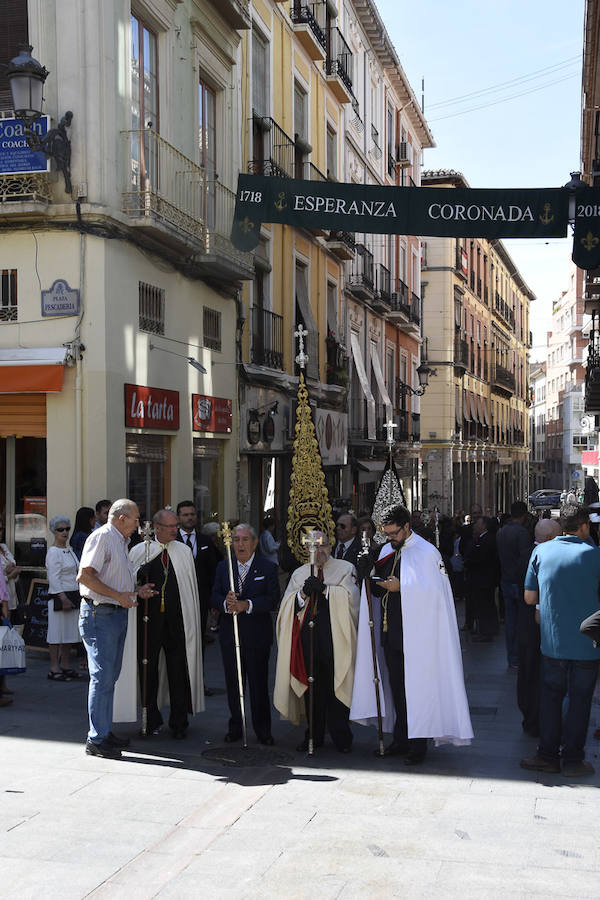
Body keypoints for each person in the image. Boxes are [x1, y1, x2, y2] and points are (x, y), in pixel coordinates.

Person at [351, 503, 473, 764]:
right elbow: (378, 586)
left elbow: (436, 594)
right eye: (387, 534)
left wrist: (401, 588)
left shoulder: (427, 552)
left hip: (419, 637)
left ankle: (418, 746)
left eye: (394, 533)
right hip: (391, 632)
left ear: (407, 527)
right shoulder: (385, 550)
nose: (390, 538)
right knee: (397, 689)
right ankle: (400, 739)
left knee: (416, 689)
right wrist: (368, 575)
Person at [520, 505, 600, 777]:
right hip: (588, 645)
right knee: (581, 701)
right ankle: (574, 759)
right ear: (584, 526)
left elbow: (530, 598)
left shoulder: (541, 551)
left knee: (551, 699)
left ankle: (548, 755)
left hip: (553, 642)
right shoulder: (595, 555)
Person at [77, 499, 156, 760]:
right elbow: (85, 576)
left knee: (109, 677)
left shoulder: (119, 540)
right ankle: (96, 739)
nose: (138, 525)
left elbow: (113, 581)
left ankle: (103, 730)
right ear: (121, 518)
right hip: (101, 614)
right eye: (136, 519)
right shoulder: (102, 537)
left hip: (113, 613)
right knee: (102, 677)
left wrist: (134, 593)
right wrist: (119, 596)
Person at [274, 531, 360, 753]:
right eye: (313, 546)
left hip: (334, 639)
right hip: (308, 639)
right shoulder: (299, 573)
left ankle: (342, 736)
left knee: (335, 685)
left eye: (322, 546)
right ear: (306, 549)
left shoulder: (344, 568)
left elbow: (352, 599)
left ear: (330, 546)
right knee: (312, 688)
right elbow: (286, 606)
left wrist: (326, 590)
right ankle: (313, 734)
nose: (318, 551)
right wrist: (302, 594)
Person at [130, 509, 203, 739]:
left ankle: (179, 721)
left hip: (176, 621)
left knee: (177, 670)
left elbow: (189, 586)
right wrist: (138, 575)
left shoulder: (183, 551)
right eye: (170, 526)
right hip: (148, 621)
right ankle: (150, 719)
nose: (175, 530)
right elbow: (128, 582)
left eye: (176, 526)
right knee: (147, 669)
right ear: (157, 527)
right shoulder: (140, 551)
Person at [211, 523, 279, 745]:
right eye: (236, 540)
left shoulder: (267, 567)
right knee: (234, 684)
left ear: (255, 542)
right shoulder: (224, 567)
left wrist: (247, 604)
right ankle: (236, 726)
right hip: (231, 636)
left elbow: (272, 599)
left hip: (257, 636)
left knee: (258, 685)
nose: (240, 544)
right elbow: (213, 595)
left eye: (245, 539)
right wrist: (225, 603)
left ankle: (263, 730)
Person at [517, 517, 561, 738]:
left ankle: (529, 715)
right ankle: (536, 718)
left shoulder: (524, 553)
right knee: (536, 673)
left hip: (524, 624)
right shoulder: (544, 556)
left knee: (527, 672)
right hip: (537, 622)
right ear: (550, 538)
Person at [176, 501, 218, 650]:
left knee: (198, 642)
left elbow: (213, 570)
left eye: (192, 514)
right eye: (185, 515)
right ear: (178, 517)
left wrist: (213, 600)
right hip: (177, 600)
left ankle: (197, 673)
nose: (190, 518)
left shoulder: (205, 540)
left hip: (201, 600)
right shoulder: (172, 541)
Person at [495, 501, 534, 667]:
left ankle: (512, 657)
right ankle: (518, 656)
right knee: (521, 621)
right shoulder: (522, 533)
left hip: (506, 579)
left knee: (511, 621)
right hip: (518, 582)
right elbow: (525, 560)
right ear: (524, 515)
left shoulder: (502, 531)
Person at [45, 516, 82, 682]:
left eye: (67, 528)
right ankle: (54, 667)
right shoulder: (53, 552)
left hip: (74, 593)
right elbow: (53, 577)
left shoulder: (70, 550)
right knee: (56, 634)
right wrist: (63, 597)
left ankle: (65, 665)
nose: (65, 532)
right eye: (61, 529)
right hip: (60, 596)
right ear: (54, 531)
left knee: (68, 633)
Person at [463, 516, 499, 641]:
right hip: (481, 578)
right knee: (484, 605)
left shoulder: (487, 540)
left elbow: (483, 559)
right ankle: (486, 630)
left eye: (478, 524)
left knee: (484, 606)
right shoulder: (480, 539)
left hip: (483, 579)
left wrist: (469, 562)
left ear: (483, 526)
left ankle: (486, 632)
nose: (475, 526)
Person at [0, 519, 21, 616]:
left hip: (11, 595)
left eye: (1, 529)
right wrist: (10, 575)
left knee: (9, 627)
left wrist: (11, 571)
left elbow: (14, 566)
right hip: (2, 599)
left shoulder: (3, 546)